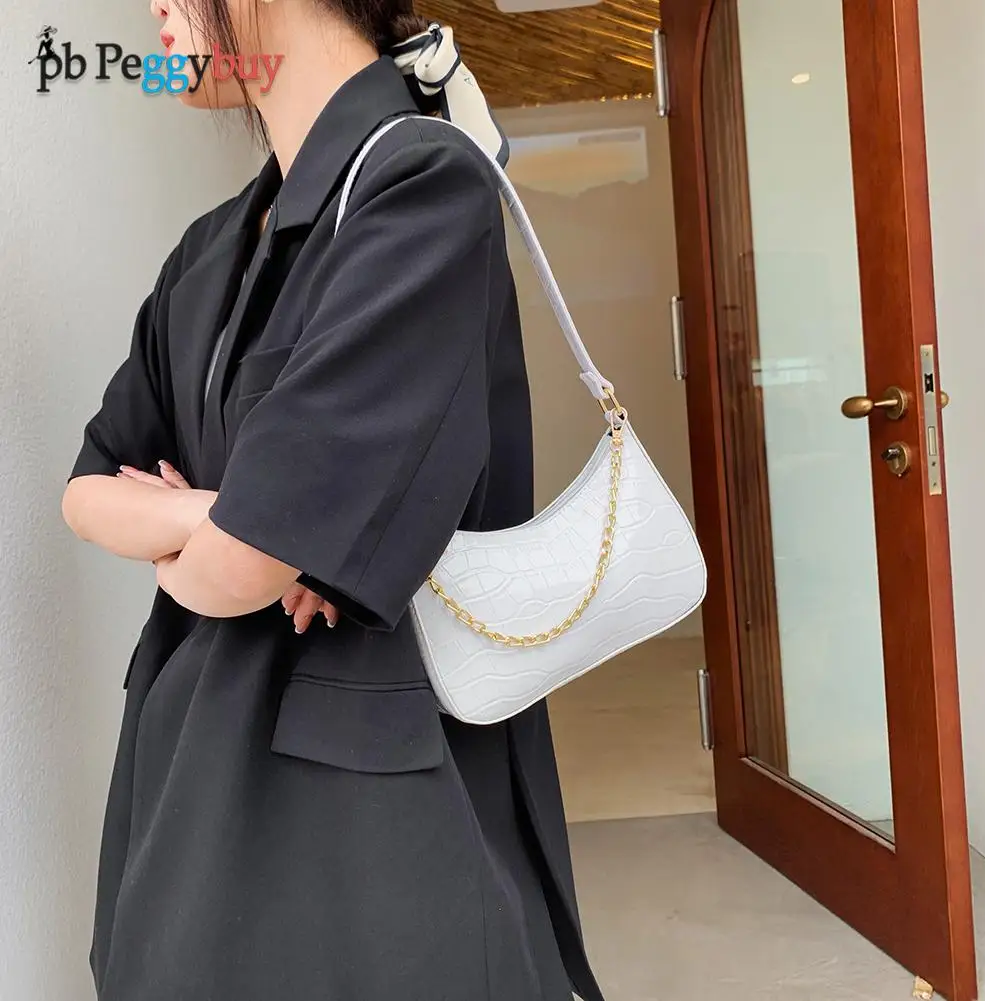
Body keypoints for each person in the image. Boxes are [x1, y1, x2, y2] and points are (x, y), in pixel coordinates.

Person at [61, 2, 605, 1000]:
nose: (155, 12)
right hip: (183, 763)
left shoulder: (423, 185)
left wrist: (229, 536)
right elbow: (88, 492)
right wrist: (221, 518)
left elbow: (239, 569)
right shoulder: (210, 245)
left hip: (361, 807)